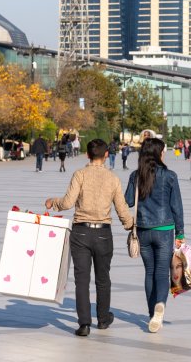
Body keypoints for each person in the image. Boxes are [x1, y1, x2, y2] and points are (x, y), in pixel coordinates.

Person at [46, 139, 133, 337]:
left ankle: (84, 323)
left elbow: (68, 202)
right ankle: (103, 319)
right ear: (106, 156)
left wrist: (54, 202)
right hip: (103, 233)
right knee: (103, 279)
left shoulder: (80, 175)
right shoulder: (113, 179)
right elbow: (121, 207)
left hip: (81, 232)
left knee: (82, 280)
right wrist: (130, 225)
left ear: (87, 155)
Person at [124, 138, 184, 333]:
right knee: (161, 272)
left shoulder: (136, 175)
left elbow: (127, 201)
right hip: (164, 230)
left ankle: (152, 313)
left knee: (149, 272)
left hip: (142, 230)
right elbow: (176, 207)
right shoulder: (170, 176)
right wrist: (180, 232)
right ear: (159, 153)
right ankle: (160, 305)